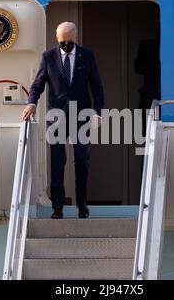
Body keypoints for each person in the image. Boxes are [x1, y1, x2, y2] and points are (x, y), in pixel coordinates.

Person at [22, 22, 104, 219]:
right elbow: (37, 84)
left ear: (74, 37)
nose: (65, 45)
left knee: (82, 159)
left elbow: (98, 88)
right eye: (61, 42)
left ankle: (82, 204)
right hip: (56, 116)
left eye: (68, 41)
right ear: (56, 39)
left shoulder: (87, 56)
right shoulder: (48, 57)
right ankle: (57, 207)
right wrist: (31, 102)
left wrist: (97, 112)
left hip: (81, 116)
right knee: (58, 161)